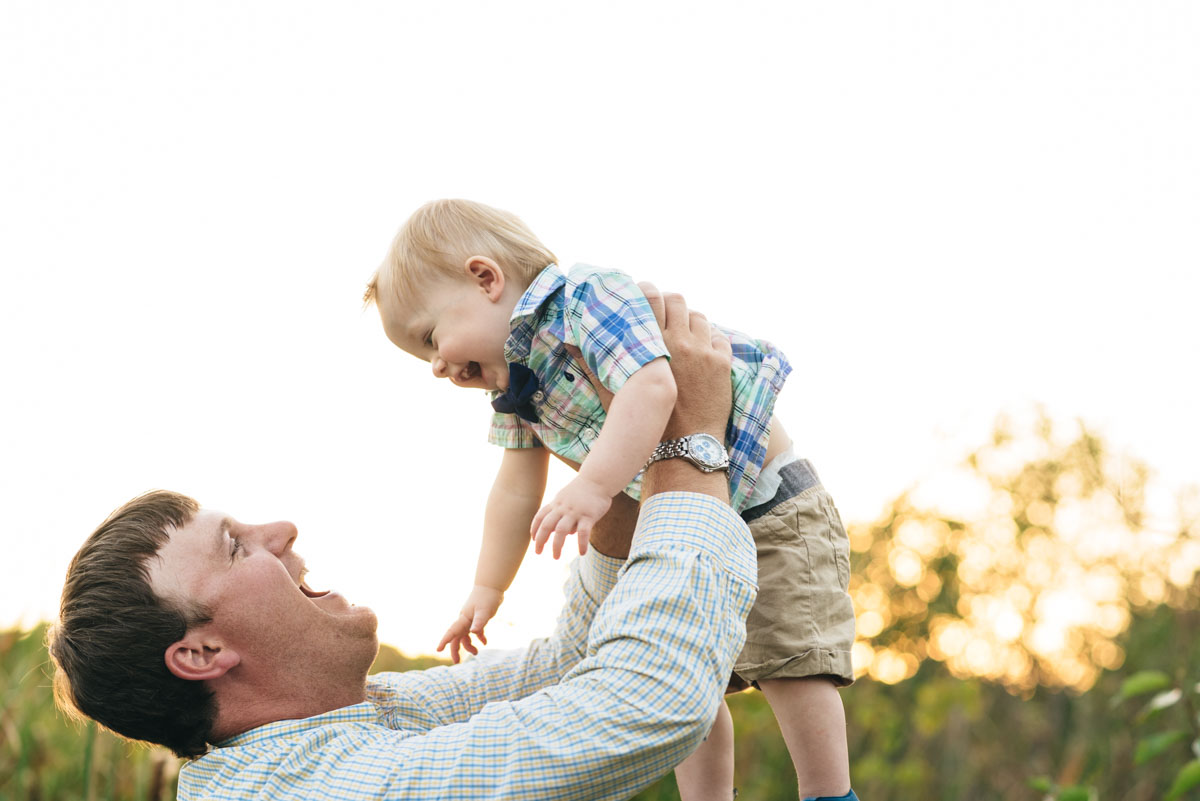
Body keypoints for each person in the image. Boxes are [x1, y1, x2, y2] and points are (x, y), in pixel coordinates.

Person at [49, 289, 757, 800]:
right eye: (236, 547)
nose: (282, 531)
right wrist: (686, 439)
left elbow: (569, 667)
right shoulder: (320, 789)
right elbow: (642, 702)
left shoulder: (357, 718)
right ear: (201, 653)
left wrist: (607, 470)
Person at [363, 199, 857, 801]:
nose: (438, 366)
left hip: (764, 500)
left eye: (431, 338)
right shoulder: (518, 379)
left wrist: (593, 486)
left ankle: (828, 793)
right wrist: (487, 589)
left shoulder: (583, 300)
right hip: (681, 520)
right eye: (425, 358)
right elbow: (516, 486)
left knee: (790, 656)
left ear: (486, 278)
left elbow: (653, 386)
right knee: (685, 667)